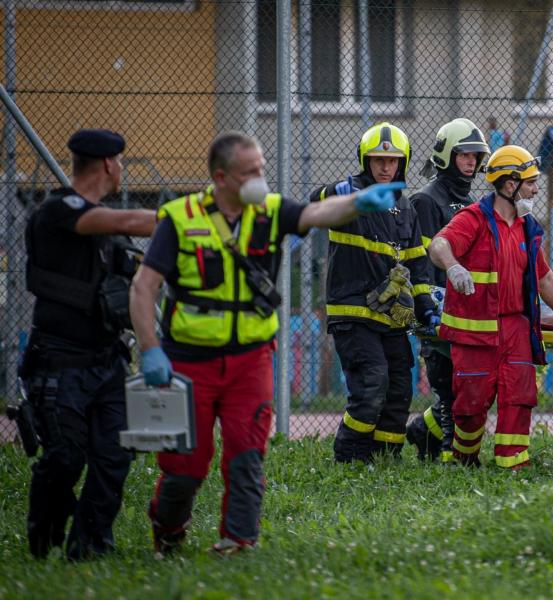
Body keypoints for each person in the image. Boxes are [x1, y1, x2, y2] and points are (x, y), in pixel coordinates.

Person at [129, 131, 400, 555]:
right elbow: (144, 288)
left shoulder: (270, 211)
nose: (260, 178)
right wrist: (150, 350)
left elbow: (316, 213)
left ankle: (239, 540)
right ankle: (169, 527)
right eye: (250, 171)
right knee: (185, 464)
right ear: (221, 177)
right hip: (188, 362)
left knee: (246, 455)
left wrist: (357, 202)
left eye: (261, 168)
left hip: (250, 359)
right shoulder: (179, 218)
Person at [21, 128, 156, 560]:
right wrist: (193, 215)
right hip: (58, 362)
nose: (121, 170)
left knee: (114, 457)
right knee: (65, 455)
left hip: (106, 360)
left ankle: (91, 544)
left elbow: (133, 282)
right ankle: (43, 528)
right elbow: (124, 219)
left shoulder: (109, 231)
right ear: (108, 165)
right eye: (119, 163)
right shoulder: (56, 212)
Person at [428, 144, 553, 469]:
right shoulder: (473, 219)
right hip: (476, 334)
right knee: (471, 407)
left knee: (519, 398)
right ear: (510, 184)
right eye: (529, 181)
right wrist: (453, 266)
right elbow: (439, 244)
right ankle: (464, 458)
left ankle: (513, 465)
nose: (535, 188)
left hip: (515, 328)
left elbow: (544, 279)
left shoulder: (528, 228)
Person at [309, 122, 437, 464]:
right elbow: (314, 202)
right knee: (371, 384)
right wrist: (351, 195)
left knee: (398, 388)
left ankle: (385, 458)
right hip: (354, 313)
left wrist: (425, 305)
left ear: (403, 162)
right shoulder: (349, 194)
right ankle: (350, 457)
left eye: (392, 160)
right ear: (365, 161)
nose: (385, 166)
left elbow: (416, 262)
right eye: (378, 160)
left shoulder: (404, 205)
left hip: (391, 316)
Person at [405, 118, 490, 462]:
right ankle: (451, 460)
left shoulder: (470, 199)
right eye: (465, 155)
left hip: (468, 308)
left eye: (476, 156)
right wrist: (427, 306)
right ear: (446, 156)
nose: (472, 162)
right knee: (451, 385)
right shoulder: (427, 200)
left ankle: (422, 431)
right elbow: (421, 261)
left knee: (466, 385)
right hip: (439, 308)